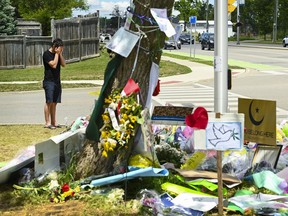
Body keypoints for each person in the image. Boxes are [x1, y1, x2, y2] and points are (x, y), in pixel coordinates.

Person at [42, 38, 66, 129]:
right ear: (55, 47)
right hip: (49, 81)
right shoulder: (46, 54)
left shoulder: (58, 54)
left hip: (57, 81)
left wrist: (60, 54)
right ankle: (47, 123)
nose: (61, 50)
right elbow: (54, 65)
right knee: (49, 102)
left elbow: (63, 64)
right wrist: (56, 54)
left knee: (54, 102)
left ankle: (53, 122)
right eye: (60, 48)